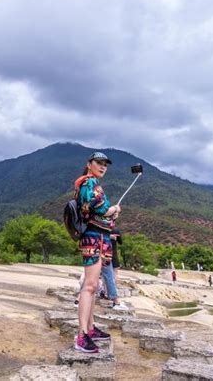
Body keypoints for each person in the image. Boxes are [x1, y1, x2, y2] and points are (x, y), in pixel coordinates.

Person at [74, 151, 121, 353]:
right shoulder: (87, 183)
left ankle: (90, 328)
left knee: (94, 286)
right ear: (89, 164)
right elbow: (89, 208)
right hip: (92, 236)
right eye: (99, 163)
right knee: (90, 285)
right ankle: (81, 335)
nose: (103, 167)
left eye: (105, 164)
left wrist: (112, 213)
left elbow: (101, 213)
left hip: (100, 236)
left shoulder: (94, 183)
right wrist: (110, 210)